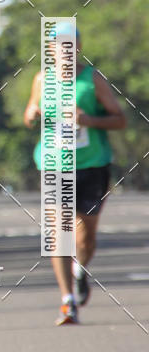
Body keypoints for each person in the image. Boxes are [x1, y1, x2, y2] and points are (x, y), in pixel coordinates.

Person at [24, 26, 125, 325]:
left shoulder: (92, 80)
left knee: (87, 236)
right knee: (60, 234)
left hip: (92, 165)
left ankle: (80, 270)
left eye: (70, 46)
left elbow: (119, 119)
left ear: (78, 49)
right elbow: (30, 109)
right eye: (58, 46)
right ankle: (67, 301)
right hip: (54, 163)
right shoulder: (42, 80)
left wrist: (88, 119)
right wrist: (30, 115)